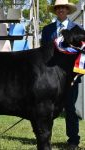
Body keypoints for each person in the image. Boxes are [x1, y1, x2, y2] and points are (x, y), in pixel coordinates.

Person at [41, 0, 81, 149]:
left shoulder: (77, 29)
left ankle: (73, 140)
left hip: (70, 78)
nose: (61, 10)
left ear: (68, 10)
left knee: (70, 109)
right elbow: (42, 55)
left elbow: (82, 57)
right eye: (58, 8)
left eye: (63, 7)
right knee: (47, 109)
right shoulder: (47, 30)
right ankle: (46, 139)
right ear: (55, 11)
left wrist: (77, 76)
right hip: (49, 79)